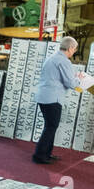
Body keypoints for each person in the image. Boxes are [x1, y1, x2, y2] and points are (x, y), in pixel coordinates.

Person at [33, 35, 81, 164]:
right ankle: (39, 155)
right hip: (52, 98)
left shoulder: (52, 58)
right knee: (51, 127)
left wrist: (73, 78)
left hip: (43, 96)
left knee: (50, 126)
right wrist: (79, 79)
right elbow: (71, 83)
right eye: (75, 49)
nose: (74, 51)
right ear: (70, 48)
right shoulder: (64, 61)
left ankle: (46, 154)